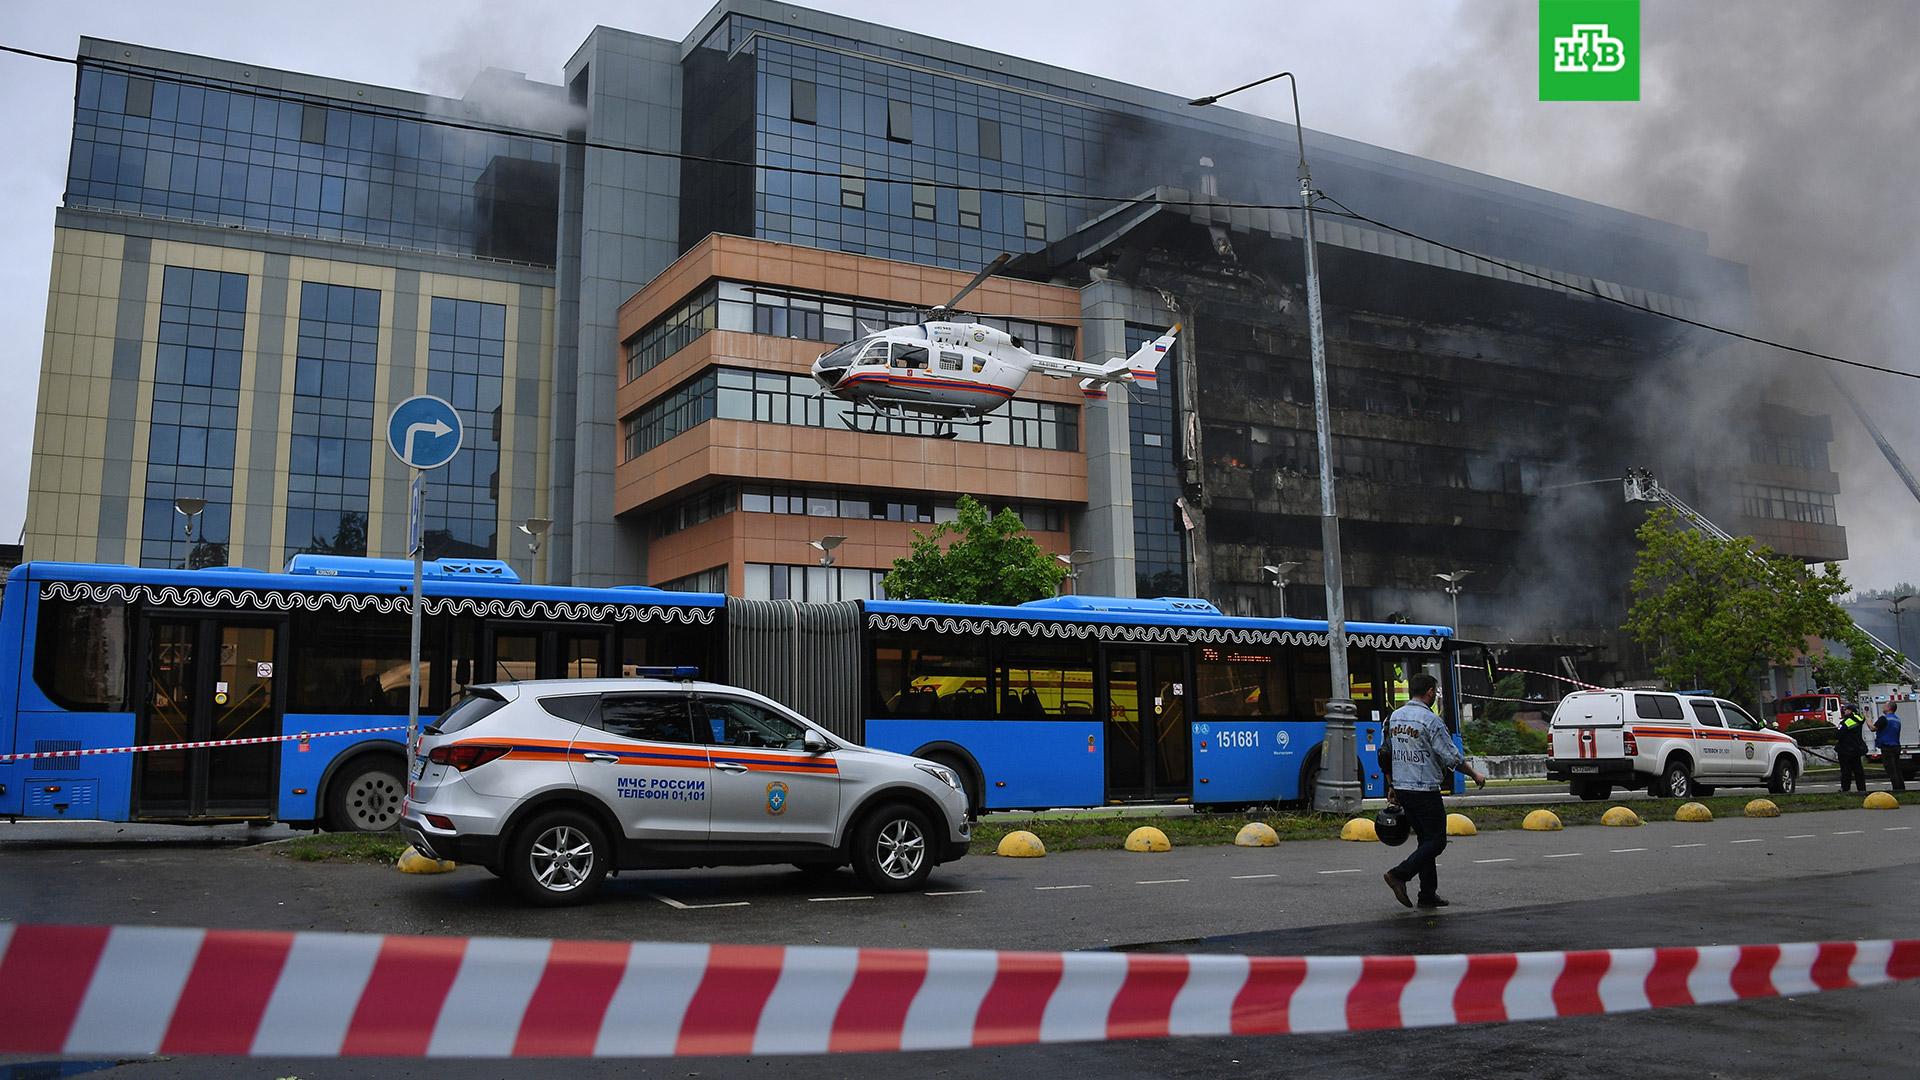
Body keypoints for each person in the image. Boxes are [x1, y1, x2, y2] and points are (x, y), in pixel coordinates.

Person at [1382, 673, 1487, 910]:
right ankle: (1399, 874)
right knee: (1437, 841)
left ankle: (1427, 894)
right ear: (1429, 692)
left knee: (1425, 840)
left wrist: (1391, 785)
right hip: (1425, 789)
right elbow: (1451, 757)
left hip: (1403, 788)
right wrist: (1475, 774)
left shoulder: (1394, 718)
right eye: (1434, 692)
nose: (1435, 696)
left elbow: (1385, 755)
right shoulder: (1431, 720)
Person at [1871, 701, 1906, 792]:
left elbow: (1872, 728)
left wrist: (1867, 718)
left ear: (1889, 708)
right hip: (1896, 746)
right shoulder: (1897, 719)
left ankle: (1896, 789)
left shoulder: (1884, 719)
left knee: (1891, 769)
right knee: (1897, 769)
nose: (1883, 707)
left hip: (1887, 747)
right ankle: (1901, 788)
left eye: (1885, 706)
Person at [1836, 703, 1869, 793]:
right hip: (1856, 749)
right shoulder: (1859, 719)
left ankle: (1845, 789)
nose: (1844, 711)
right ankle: (1862, 789)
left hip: (1845, 750)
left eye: (1846, 709)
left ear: (1850, 711)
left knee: (1846, 771)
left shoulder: (1846, 722)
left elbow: (1838, 735)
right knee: (1858, 770)